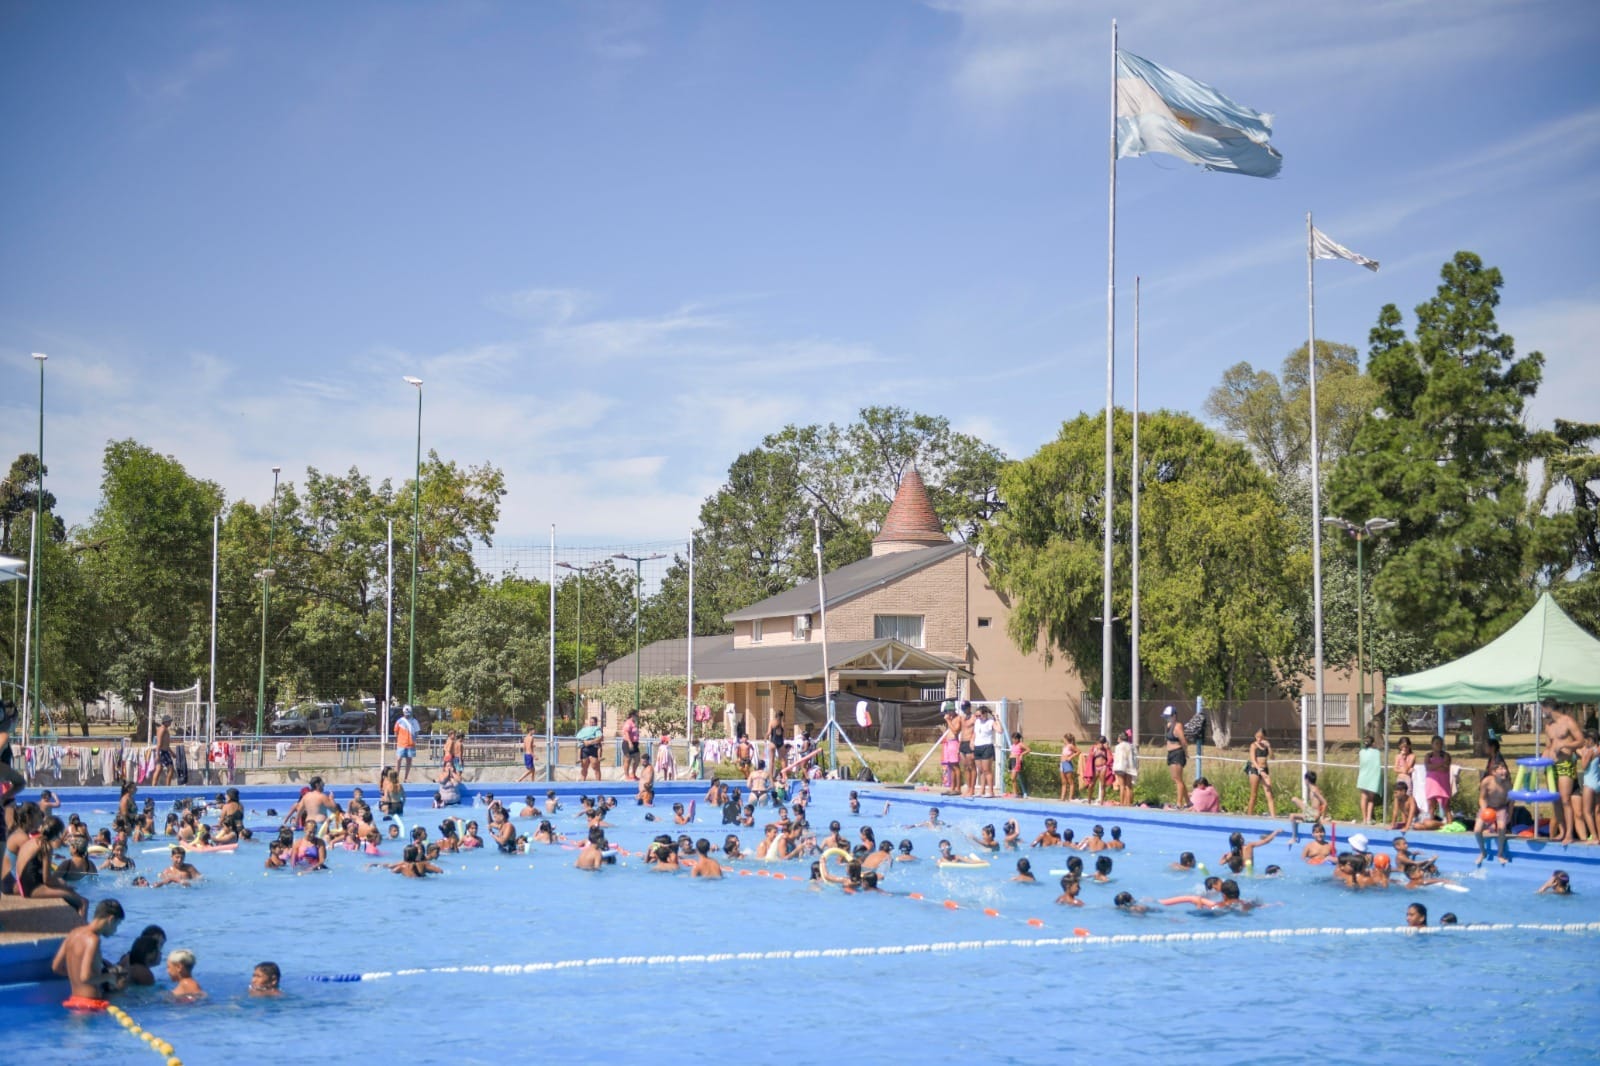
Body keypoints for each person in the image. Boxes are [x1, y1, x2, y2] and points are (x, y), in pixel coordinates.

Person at [52, 898, 128, 1010]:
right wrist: (109, 977)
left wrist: (75, 976)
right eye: (117, 925)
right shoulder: (93, 940)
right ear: (110, 919)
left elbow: (56, 967)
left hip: (74, 1001)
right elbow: (86, 977)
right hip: (91, 1005)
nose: (115, 930)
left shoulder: (73, 933)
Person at [1474, 759, 1511, 866]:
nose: (1504, 771)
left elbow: (1512, 801)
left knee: (1501, 827)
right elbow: (1482, 798)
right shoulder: (1486, 781)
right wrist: (1484, 810)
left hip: (1501, 808)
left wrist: (1510, 814)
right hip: (1488, 807)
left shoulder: (1508, 784)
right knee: (1477, 830)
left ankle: (1499, 854)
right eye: (1501, 769)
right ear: (1494, 772)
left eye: (1504, 769)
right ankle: (1483, 852)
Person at [1161, 706, 1189, 808]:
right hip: (1171, 754)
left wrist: (1186, 753)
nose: (1167, 719)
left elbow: (1183, 741)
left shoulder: (1178, 726)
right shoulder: (1169, 725)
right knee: (1176, 778)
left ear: (1174, 716)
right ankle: (1188, 801)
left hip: (1178, 753)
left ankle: (1179, 803)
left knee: (1177, 779)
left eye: (1169, 717)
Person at [1247, 729, 1279, 817]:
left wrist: (1269, 747)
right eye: (1257, 737)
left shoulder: (1265, 746)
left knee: (1269, 794)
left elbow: (1272, 757)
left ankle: (1274, 817)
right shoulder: (1253, 746)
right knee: (1254, 794)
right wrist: (1260, 770)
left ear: (1264, 737)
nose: (1259, 739)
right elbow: (1253, 760)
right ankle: (1249, 816)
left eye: (1261, 737)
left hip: (1264, 770)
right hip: (1256, 770)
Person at [1422, 735, 1453, 825]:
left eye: (1440, 744)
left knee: (1446, 805)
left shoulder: (1446, 755)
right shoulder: (1428, 755)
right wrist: (1440, 765)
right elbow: (1428, 767)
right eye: (1436, 743)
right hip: (1431, 783)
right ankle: (1431, 824)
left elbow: (1445, 769)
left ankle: (1450, 823)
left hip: (1442, 783)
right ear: (1432, 744)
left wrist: (1434, 767)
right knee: (1431, 805)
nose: (1438, 745)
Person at [1289, 772, 1328, 841]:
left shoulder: (1314, 790)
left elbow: (1325, 803)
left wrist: (1322, 817)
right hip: (1310, 811)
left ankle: (1294, 837)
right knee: (1294, 799)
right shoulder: (1313, 788)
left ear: (1307, 780)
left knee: (1292, 816)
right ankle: (1303, 816)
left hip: (1313, 815)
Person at [972, 705, 999, 798]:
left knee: (987, 770)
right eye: (976, 716)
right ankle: (982, 790)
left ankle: (991, 791)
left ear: (985, 714)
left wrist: (996, 718)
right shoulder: (977, 722)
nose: (978, 717)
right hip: (977, 747)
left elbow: (1000, 730)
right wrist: (972, 741)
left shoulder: (990, 722)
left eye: (979, 715)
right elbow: (975, 733)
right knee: (981, 770)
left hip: (987, 746)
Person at [1356, 734, 1382, 824]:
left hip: (1363, 776)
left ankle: (1364, 819)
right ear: (1373, 743)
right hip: (1373, 777)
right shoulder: (1377, 752)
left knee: (1363, 797)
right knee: (1371, 799)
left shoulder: (1361, 752)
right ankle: (1368, 818)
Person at [394, 706, 421, 783]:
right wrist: (400, 739)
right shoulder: (399, 721)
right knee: (398, 760)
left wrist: (414, 739)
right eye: (406, 713)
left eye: (408, 713)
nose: (407, 715)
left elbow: (417, 732)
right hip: (401, 744)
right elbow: (396, 732)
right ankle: (396, 777)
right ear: (403, 712)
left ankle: (406, 778)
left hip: (411, 744)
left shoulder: (414, 721)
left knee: (409, 761)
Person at [1111, 729, 1138, 807]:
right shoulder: (1131, 746)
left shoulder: (1118, 747)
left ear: (1121, 738)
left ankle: (1122, 803)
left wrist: (1114, 769)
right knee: (1128, 786)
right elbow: (1133, 757)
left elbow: (1117, 758)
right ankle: (1129, 803)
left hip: (1120, 767)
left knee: (1122, 786)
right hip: (1129, 767)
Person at [939, 711, 962, 794]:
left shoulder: (958, 718)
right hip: (948, 743)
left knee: (956, 766)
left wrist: (948, 720)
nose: (947, 714)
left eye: (948, 712)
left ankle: (958, 788)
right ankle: (952, 787)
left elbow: (955, 731)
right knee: (951, 767)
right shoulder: (951, 719)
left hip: (954, 743)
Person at [575, 716, 603, 781]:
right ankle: (582, 784)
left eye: (593, 722)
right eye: (590, 722)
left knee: (596, 767)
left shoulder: (597, 729)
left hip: (593, 748)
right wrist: (585, 741)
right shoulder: (584, 730)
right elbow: (579, 737)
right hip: (584, 748)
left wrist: (590, 742)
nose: (591, 723)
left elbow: (600, 738)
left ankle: (598, 785)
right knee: (584, 768)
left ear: (596, 723)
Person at [621, 711, 642, 781]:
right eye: (636, 716)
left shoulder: (634, 723)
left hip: (635, 743)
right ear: (632, 715)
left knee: (637, 759)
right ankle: (627, 776)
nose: (637, 717)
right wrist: (630, 743)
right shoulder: (628, 723)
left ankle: (633, 774)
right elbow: (626, 733)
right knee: (627, 759)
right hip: (628, 743)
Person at [1059, 734, 1080, 802]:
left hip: (1067, 764)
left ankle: (1070, 798)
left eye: (1064, 739)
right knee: (1063, 782)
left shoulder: (1070, 746)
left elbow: (1078, 751)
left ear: (1067, 739)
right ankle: (1062, 798)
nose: (1063, 740)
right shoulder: (1064, 746)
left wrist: (1071, 757)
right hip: (1062, 764)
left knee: (1070, 781)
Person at [1008, 732, 1029, 798]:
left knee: (1013, 778)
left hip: (1016, 761)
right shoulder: (1013, 745)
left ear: (1017, 739)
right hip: (1011, 761)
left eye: (1014, 739)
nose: (1013, 740)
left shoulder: (1020, 744)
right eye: (1012, 739)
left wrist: (1022, 754)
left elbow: (1028, 749)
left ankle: (1016, 793)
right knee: (1012, 779)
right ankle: (1015, 793)